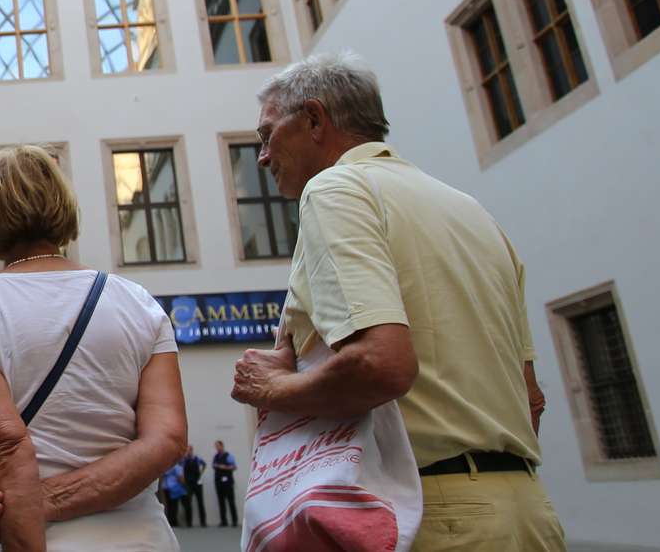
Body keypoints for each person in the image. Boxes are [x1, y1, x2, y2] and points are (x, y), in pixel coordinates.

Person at [229, 53, 565, 551]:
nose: (262, 157)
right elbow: (530, 398)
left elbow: (381, 364)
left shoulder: (334, 190)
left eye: (267, 135)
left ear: (315, 119)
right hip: (526, 508)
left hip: (427, 515)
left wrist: (274, 387)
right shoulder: (470, 211)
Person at [0, 144, 187, 551]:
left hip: (10, 533)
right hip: (137, 537)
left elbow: (5, 444)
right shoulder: (138, 302)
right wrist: (56, 499)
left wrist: (35, 503)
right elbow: (167, 439)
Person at [210, 440, 237, 528]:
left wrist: (224, 467)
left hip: (228, 482)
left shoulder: (228, 455)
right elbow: (213, 465)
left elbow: (234, 467)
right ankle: (223, 521)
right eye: (216, 446)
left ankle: (234, 521)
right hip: (218, 482)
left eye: (218, 446)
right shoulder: (216, 456)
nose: (217, 448)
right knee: (221, 501)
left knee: (231, 501)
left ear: (222, 446)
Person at [179, 446, 206, 527]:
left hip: (197, 482)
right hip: (188, 483)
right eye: (187, 450)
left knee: (200, 502)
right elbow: (180, 466)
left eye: (189, 450)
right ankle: (189, 522)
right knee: (188, 502)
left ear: (192, 450)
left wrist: (201, 473)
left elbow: (204, 464)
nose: (188, 452)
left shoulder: (197, 459)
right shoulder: (184, 460)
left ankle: (203, 522)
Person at [156, 459, 187, 528]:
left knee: (168, 505)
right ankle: (174, 521)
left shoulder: (166, 467)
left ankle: (170, 521)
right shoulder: (177, 466)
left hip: (165, 487)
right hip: (174, 488)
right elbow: (180, 478)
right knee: (174, 506)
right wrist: (185, 486)